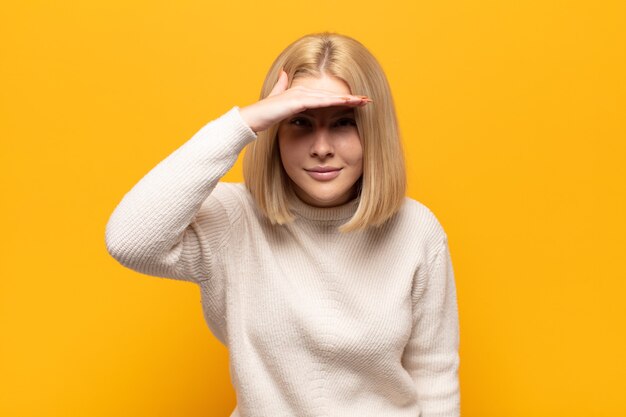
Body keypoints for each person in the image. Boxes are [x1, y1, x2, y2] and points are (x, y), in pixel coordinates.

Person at [105, 31, 460, 417]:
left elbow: (434, 375)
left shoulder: (416, 230)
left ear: (373, 131)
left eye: (343, 123)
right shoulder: (233, 219)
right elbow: (129, 240)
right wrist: (246, 121)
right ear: (275, 131)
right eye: (300, 121)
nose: (322, 147)